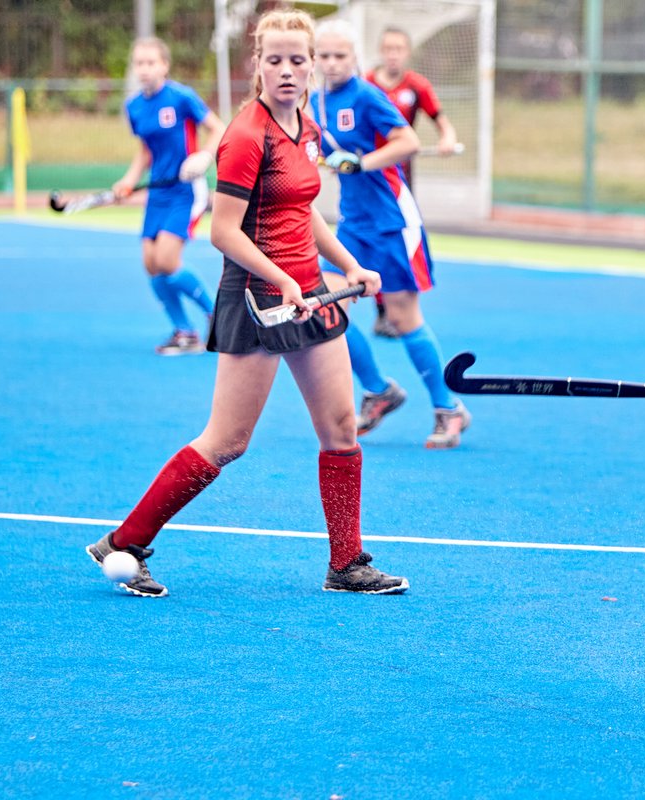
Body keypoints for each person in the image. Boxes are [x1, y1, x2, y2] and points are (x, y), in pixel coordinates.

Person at [86, 9, 407, 598]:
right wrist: (282, 280)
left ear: (311, 67)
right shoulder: (244, 135)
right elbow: (223, 231)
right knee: (228, 441)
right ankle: (125, 541)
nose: (287, 70)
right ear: (257, 64)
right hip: (258, 299)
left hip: (307, 292)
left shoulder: (307, 127)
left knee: (341, 428)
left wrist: (349, 265)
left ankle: (346, 563)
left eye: (297, 60)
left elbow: (303, 212)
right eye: (274, 59)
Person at [310, 19, 470, 450]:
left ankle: (448, 409)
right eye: (324, 55)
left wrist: (361, 163)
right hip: (352, 224)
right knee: (326, 307)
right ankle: (378, 390)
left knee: (401, 318)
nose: (331, 63)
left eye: (340, 55)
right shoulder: (314, 102)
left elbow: (408, 142)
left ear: (355, 57)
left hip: (392, 222)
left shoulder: (366, 94)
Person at [115, 37, 225, 355]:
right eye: (139, 63)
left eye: (151, 62)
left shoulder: (181, 97)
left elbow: (218, 128)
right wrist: (129, 181)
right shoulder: (134, 106)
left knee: (167, 260)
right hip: (157, 192)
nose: (145, 69)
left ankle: (217, 315)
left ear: (164, 65)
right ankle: (184, 332)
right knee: (151, 264)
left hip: (186, 191)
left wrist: (204, 157)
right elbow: (145, 151)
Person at [363, 25, 459, 338]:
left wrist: (447, 139)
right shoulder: (365, 84)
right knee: (370, 241)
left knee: (400, 242)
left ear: (407, 53)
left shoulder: (417, 86)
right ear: (381, 51)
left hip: (400, 180)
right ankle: (381, 312)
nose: (393, 55)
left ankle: (400, 309)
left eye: (399, 49)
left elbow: (443, 123)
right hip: (367, 177)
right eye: (388, 48)